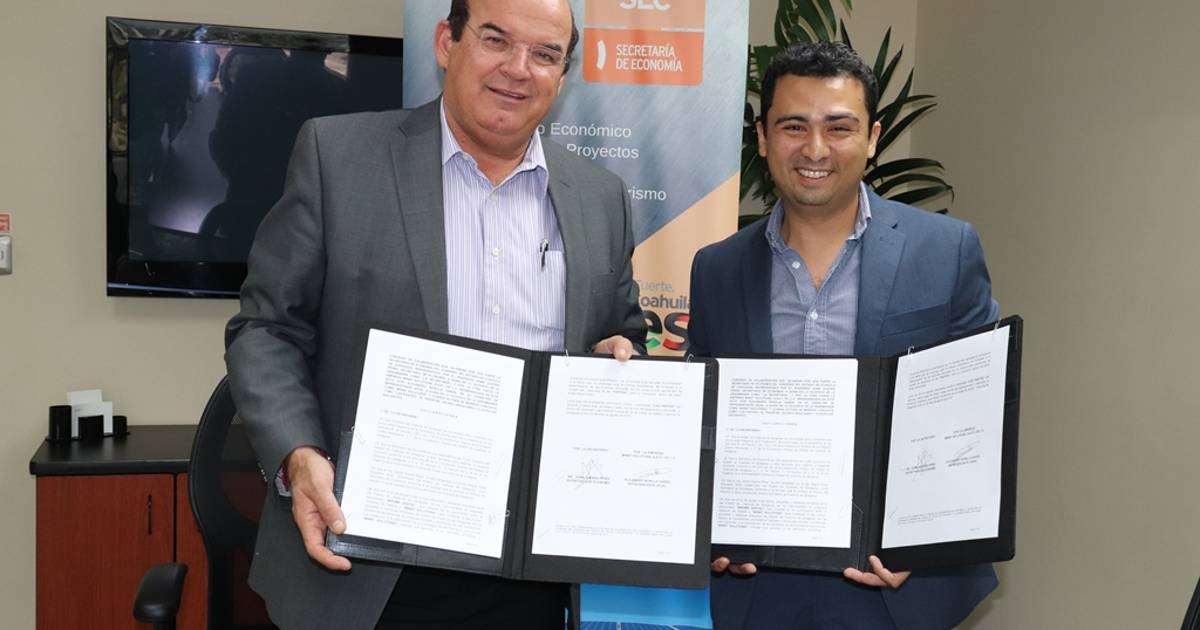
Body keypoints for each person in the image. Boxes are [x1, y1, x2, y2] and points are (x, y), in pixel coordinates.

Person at [224, 0, 646, 627]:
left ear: (562, 75)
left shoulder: (600, 196)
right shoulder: (338, 156)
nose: (518, 68)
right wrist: (298, 453)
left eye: (544, 54)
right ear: (448, 41)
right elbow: (266, 328)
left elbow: (622, 333)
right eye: (496, 40)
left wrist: (616, 360)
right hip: (369, 565)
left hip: (536, 572)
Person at [687, 42, 999, 630]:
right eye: (793, 126)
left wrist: (928, 539)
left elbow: (976, 415)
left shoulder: (945, 250)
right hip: (757, 586)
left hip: (897, 585)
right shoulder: (716, 268)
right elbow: (705, 420)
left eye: (839, 127)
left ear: (873, 137)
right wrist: (709, 523)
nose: (814, 149)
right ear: (762, 137)